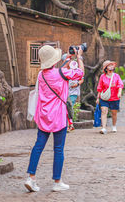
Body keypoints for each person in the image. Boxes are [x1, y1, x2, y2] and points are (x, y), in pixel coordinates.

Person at [25, 44, 84, 193]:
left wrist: (66, 61)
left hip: (44, 115)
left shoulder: (41, 74)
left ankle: (30, 178)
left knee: (38, 147)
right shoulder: (62, 73)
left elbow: (56, 71)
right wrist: (79, 56)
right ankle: (57, 182)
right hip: (58, 117)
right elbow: (80, 73)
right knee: (58, 149)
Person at [96, 60, 124, 134]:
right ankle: (104, 128)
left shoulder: (116, 76)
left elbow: (120, 84)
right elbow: (99, 87)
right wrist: (98, 98)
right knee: (104, 111)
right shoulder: (102, 76)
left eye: (112, 65)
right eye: (109, 65)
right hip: (104, 98)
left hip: (114, 98)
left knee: (114, 113)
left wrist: (119, 92)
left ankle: (114, 125)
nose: (111, 67)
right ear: (106, 68)